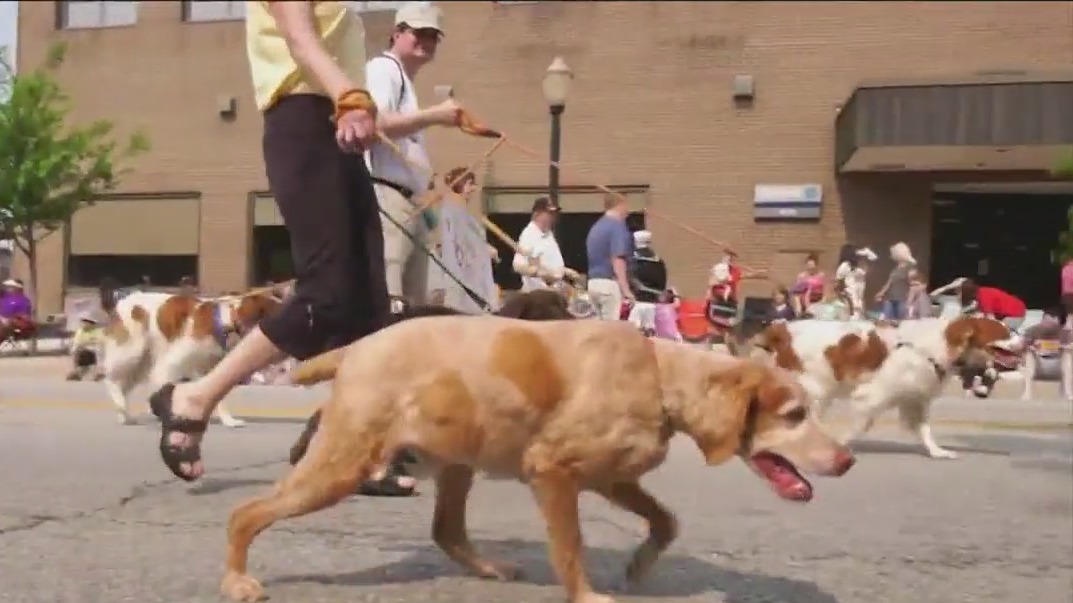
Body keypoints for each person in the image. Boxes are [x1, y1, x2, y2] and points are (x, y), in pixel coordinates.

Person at [148, 1, 457, 495]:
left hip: (337, 125)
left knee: (368, 307)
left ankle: (350, 449)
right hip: (304, 121)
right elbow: (300, 39)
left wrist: (355, 107)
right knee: (326, 292)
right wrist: (351, 97)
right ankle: (194, 397)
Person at [365, 2, 459, 312]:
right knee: (392, 298)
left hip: (409, 201)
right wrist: (435, 115)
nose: (426, 40)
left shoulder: (404, 80)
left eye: (433, 35)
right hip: (388, 195)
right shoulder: (383, 68)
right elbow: (376, 125)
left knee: (414, 302)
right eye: (419, 32)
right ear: (397, 33)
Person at [585, 193, 634, 320]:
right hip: (608, 284)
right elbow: (618, 259)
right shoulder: (617, 226)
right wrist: (626, 290)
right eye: (626, 206)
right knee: (611, 330)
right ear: (620, 205)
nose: (628, 211)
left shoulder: (596, 227)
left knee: (598, 329)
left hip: (593, 283)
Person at [512, 197, 565, 292]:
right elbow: (518, 266)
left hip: (553, 291)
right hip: (537, 293)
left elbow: (552, 263)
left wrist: (566, 271)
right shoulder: (529, 234)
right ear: (537, 214)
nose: (552, 217)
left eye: (553, 214)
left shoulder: (548, 234)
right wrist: (539, 272)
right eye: (549, 213)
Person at [626, 230, 667, 336]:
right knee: (651, 333)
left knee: (633, 333)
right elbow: (662, 282)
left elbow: (628, 278)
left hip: (636, 302)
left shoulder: (631, 260)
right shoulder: (659, 261)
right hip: (653, 302)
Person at [875, 241, 915, 320]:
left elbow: (913, 284)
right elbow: (889, 282)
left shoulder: (910, 267)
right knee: (886, 320)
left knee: (901, 321)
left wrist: (911, 299)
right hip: (890, 298)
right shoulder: (896, 268)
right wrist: (881, 293)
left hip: (902, 299)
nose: (891, 256)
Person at [834, 244, 876, 318]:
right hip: (850, 301)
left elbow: (873, 261)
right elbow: (839, 284)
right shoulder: (845, 266)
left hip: (858, 300)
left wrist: (867, 252)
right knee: (852, 321)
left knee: (857, 321)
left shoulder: (858, 268)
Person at [67, 313, 104, 382]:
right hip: (84, 347)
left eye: (86, 322)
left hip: (93, 347)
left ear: (91, 323)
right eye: (84, 322)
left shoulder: (97, 331)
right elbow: (77, 341)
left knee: (99, 349)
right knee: (74, 349)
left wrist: (88, 342)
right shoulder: (80, 331)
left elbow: (99, 341)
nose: (84, 324)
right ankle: (75, 372)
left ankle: (99, 372)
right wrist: (87, 342)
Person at [1062, 257, 1073, 331]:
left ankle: (1068, 329)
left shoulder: (1064, 269)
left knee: (1069, 315)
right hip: (1071, 294)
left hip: (1065, 295)